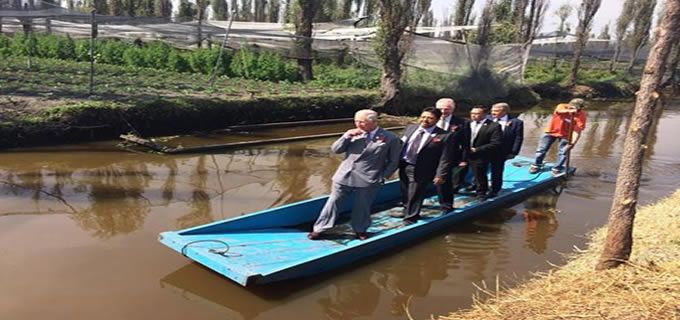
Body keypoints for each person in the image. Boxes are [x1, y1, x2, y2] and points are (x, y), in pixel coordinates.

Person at [308, 109, 401, 241]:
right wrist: (346, 136)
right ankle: (320, 228)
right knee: (333, 202)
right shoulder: (353, 135)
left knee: (362, 205)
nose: (358, 124)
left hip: (369, 178)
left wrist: (383, 176)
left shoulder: (390, 138)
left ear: (373, 122)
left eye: (362, 122)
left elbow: (394, 161)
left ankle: (360, 229)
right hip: (344, 175)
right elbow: (336, 150)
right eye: (356, 121)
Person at [394, 107, 452, 223]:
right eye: (423, 117)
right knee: (405, 190)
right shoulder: (410, 128)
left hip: (422, 167)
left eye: (430, 118)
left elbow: (445, 158)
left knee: (415, 193)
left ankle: (411, 217)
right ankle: (406, 210)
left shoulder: (444, 135)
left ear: (437, 119)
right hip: (405, 164)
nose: (425, 120)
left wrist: (440, 174)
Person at [529, 98, 587, 175]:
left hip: (566, 135)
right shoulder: (562, 106)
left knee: (563, 152)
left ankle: (557, 167)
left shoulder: (581, 115)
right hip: (550, 132)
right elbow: (559, 111)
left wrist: (572, 143)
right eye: (571, 106)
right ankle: (537, 164)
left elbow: (577, 131)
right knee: (541, 149)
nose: (574, 109)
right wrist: (570, 111)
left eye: (578, 108)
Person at [461, 106, 502, 199]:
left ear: (484, 114)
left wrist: (477, 149)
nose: (473, 116)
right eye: (472, 113)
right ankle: (466, 186)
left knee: (480, 174)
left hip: (480, 154)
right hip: (465, 153)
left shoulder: (494, 126)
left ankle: (481, 192)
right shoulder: (467, 124)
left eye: (476, 113)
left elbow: (496, 142)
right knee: (461, 172)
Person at [435, 98, 468, 212]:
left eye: (447, 109)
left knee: (445, 181)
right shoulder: (431, 120)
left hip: (450, 157)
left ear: (453, 109)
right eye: (440, 109)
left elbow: (465, 143)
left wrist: (464, 159)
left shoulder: (462, 123)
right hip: (432, 156)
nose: (443, 111)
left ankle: (446, 206)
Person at [488, 102, 524, 197]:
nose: (493, 113)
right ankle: (477, 185)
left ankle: (495, 189)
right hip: (486, 149)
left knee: (497, 170)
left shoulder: (516, 122)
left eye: (496, 111)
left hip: (501, 151)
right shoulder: (488, 119)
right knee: (481, 168)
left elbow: (518, 138)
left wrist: (514, 152)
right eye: (492, 110)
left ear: (504, 111)